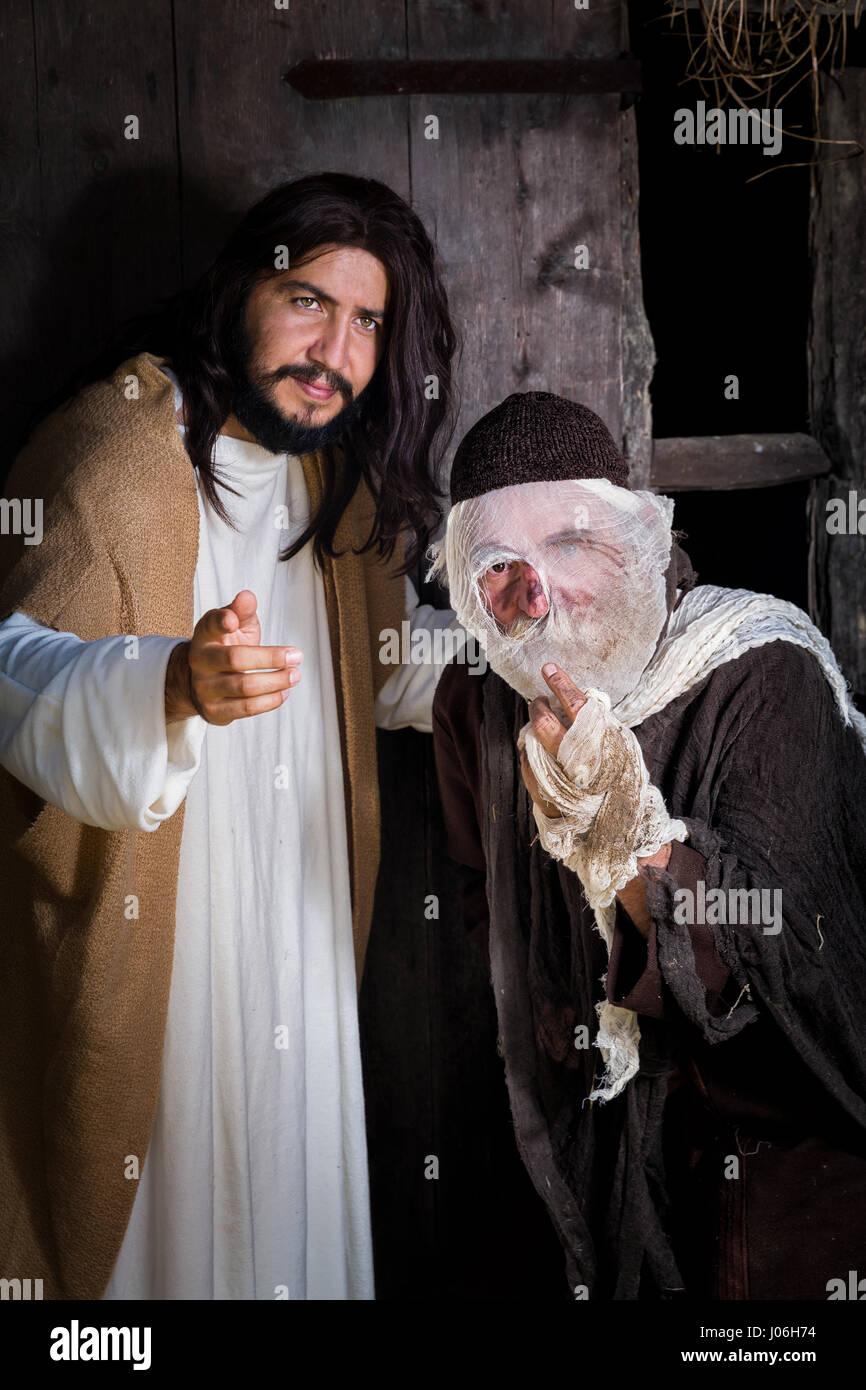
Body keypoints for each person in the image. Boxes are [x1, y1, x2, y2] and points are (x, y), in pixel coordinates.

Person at [0, 171, 464, 1300]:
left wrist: (513, 651)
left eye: (367, 323)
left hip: (299, 933)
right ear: (236, 294)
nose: (334, 350)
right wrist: (166, 683)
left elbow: (382, 675)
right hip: (165, 939)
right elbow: (12, 672)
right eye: (307, 300)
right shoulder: (112, 458)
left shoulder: (334, 487)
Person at [430, 391, 866, 1300]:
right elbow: (487, 896)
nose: (537, 595)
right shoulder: (477, 701)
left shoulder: (760, 671)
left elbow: (808, 970)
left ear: (639, 545)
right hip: (590, 1164)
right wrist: (558, 1021)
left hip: (772, 1194)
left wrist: (631, 842)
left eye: (570, 544)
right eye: (499, 566)